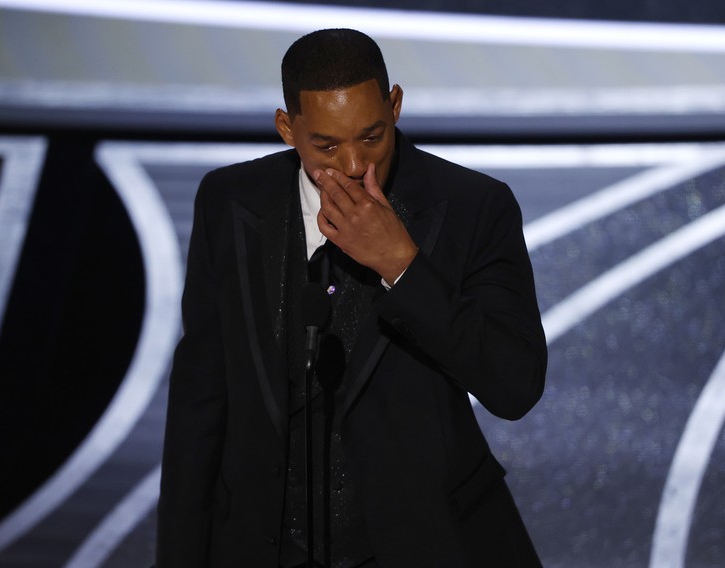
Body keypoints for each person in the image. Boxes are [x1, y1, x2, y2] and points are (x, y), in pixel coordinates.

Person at [156, 28, 547, 567]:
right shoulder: (228, 202)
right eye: (327, 146)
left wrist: (401, 265)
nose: (354, 165)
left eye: (372, 136)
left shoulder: (474, 207)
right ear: (287, 128)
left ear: (395, 106)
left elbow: (515, 383)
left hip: (424, 545)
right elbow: (201, 398)